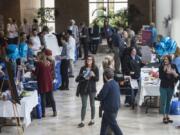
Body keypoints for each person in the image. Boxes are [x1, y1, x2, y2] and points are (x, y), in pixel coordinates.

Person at [96, 68, 123, 135]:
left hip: (109, 108)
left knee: (114, 126)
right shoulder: (115, 83)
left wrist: (96, 97)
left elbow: (101, 96)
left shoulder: (107, 84)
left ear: (105, 76)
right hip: (115, 106)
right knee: (104, 124)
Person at [76, 55, 99, 128]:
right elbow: (78, 79)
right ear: (86, 60)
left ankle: (92, 120)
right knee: (84, 105)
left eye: (90, 59)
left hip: (92, 89)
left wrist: (93, 75)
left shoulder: (95, 68)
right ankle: (82, 121)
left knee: (92, 105)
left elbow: (97, 79)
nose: (89, 61)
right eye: (88, 59)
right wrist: (83, 75)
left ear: (92, 61)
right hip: (83, 89)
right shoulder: (83, 68)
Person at [34, 52, 57, 117]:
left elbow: (36, 73)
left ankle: (43, 113)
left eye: (37, 56)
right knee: (51, 97)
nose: (36, 58)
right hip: (49, 82)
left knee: (43, 98)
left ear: (39, 57)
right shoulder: (48, 63)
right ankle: (54, 111)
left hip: (42, 83)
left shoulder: (39, 64)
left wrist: (32, 70)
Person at [159, 55, 179, 124]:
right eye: (164, 59)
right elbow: (160, 77)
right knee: (163, 102)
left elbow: (178, 76)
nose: (165, 61)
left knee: (168, 102)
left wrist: (173, 73)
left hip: (171, 87)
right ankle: (164, 117)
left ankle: (167, 116)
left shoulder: (174, 66)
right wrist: (164, 71)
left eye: (166, 59)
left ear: (169, 60)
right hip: (163, 87)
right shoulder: (161, 67)